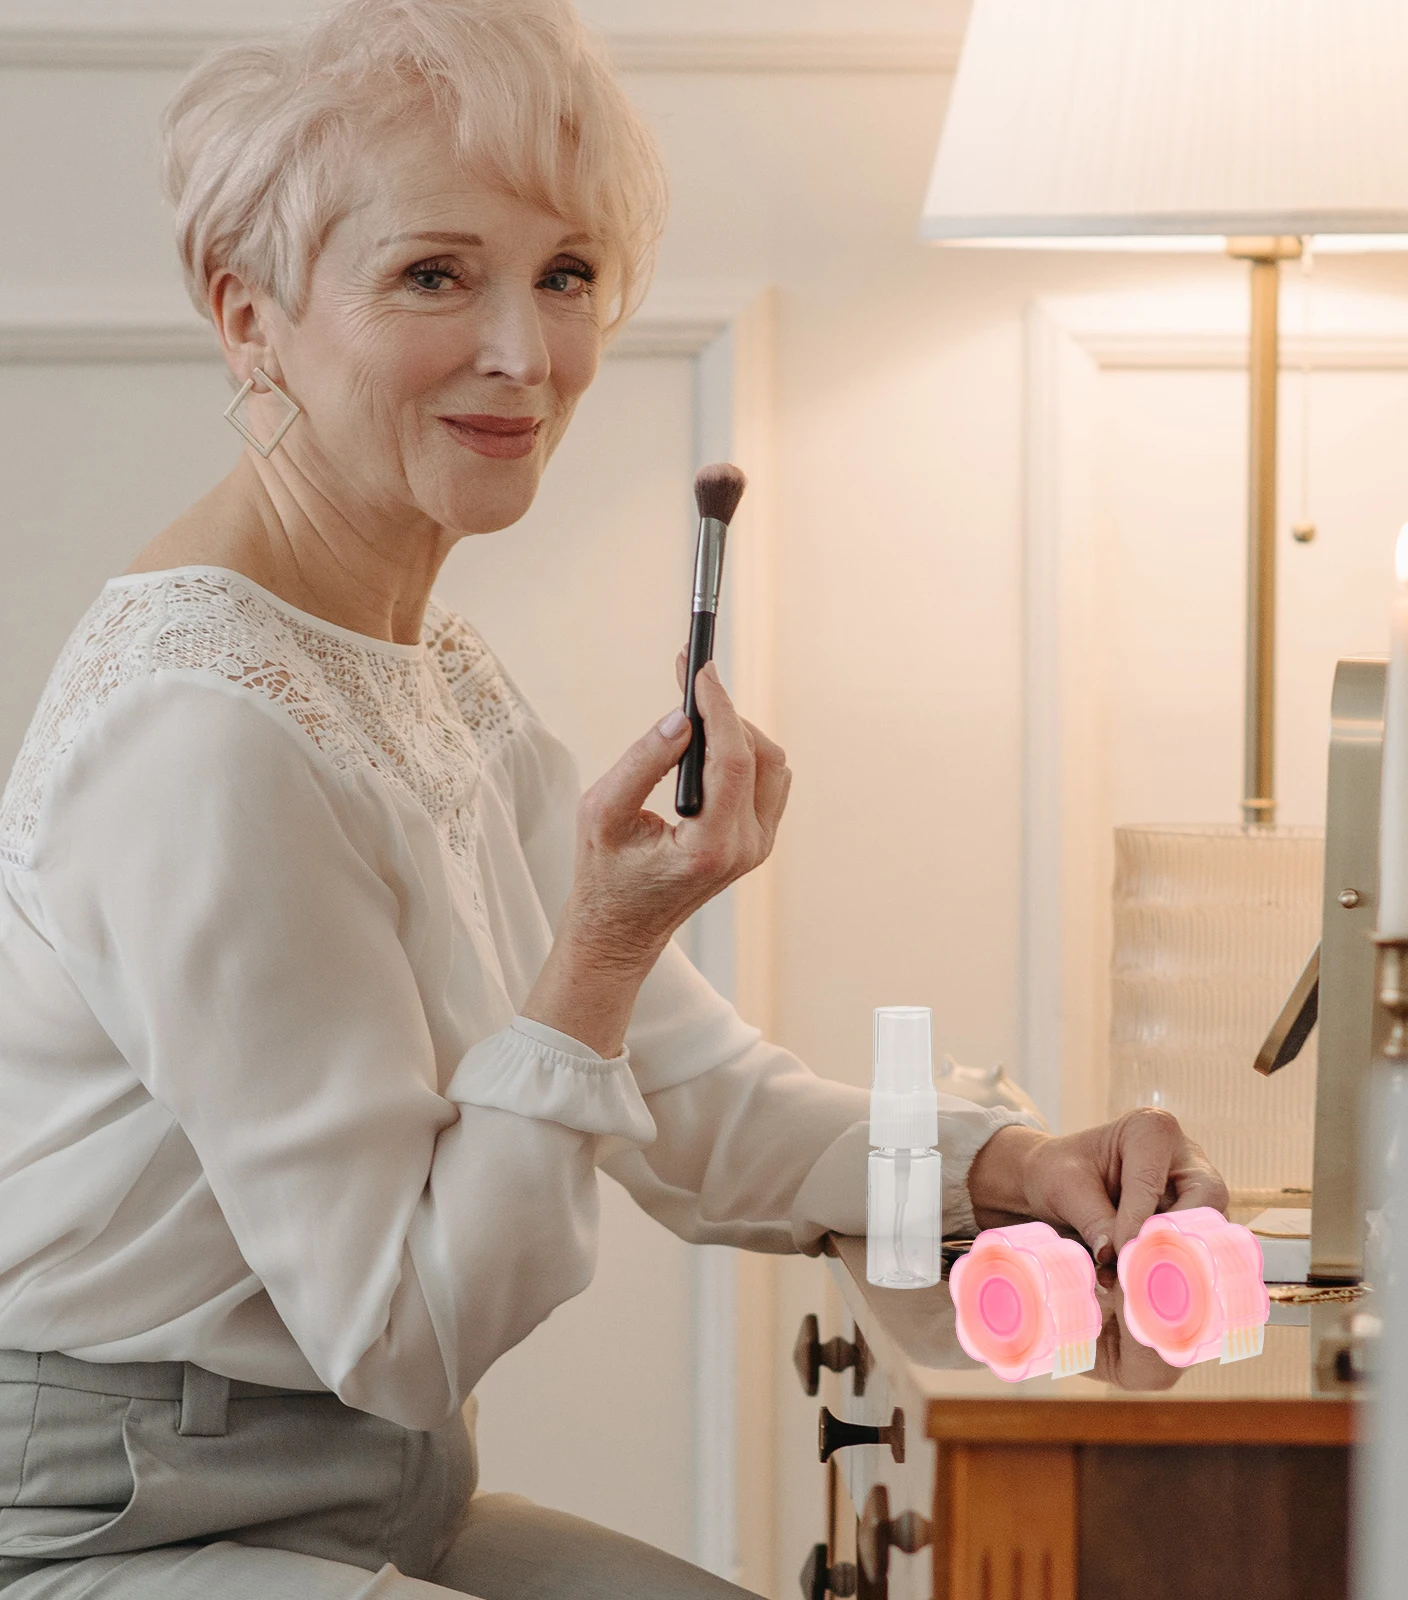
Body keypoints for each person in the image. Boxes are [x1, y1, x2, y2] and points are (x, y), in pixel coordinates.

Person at [0, 2, 1226, 1595]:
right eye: (436, 274)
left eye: (565, 275)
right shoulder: (205, 734)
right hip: (126, 1525)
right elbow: (402, 1329)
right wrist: (593, 958)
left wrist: (1013, 1164)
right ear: (250, 316)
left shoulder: (413, 654)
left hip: (376, 1501)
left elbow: (696, 1106)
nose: (527, 353)